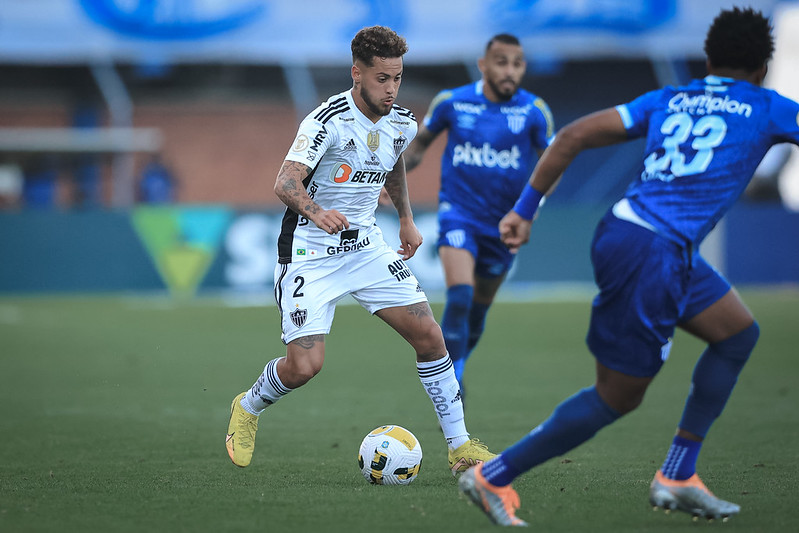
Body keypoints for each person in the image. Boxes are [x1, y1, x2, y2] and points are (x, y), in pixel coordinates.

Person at [457, 7, 799, 526]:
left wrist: (524, 212)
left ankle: (679, 474)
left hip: (632, 232)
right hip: (654, 252)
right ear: (763, 66)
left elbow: (570, 136)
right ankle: (492, 476)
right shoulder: (770, 107)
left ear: (708, 57)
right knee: (616, 397)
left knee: (736, 334)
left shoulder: (668, 98)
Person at [225, 25, 495, 476]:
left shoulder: (403, 122)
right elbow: (285, 182)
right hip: (309, 252)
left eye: (397, 78)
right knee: (305, 366)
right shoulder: (326, 120)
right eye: (382, 79)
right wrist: (316, 211)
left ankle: (461, 447)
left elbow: (391, 166)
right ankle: (249, 406)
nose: (391, 89)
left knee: (430, 337)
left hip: (366, 246)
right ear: (357, 73)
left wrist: (406, 219)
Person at [403, 33, 555, 394]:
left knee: (479, 310)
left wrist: (528, 212)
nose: (510, 71)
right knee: (460, 296)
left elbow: (554, 163)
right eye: (501, 62)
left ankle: (459, 363)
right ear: (483, 65)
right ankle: (449, 385)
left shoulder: (534, 111)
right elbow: (418, 148)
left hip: (505, 223)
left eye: (517, 64)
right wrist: (385, 181)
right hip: (459, 213)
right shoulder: (452, 103)